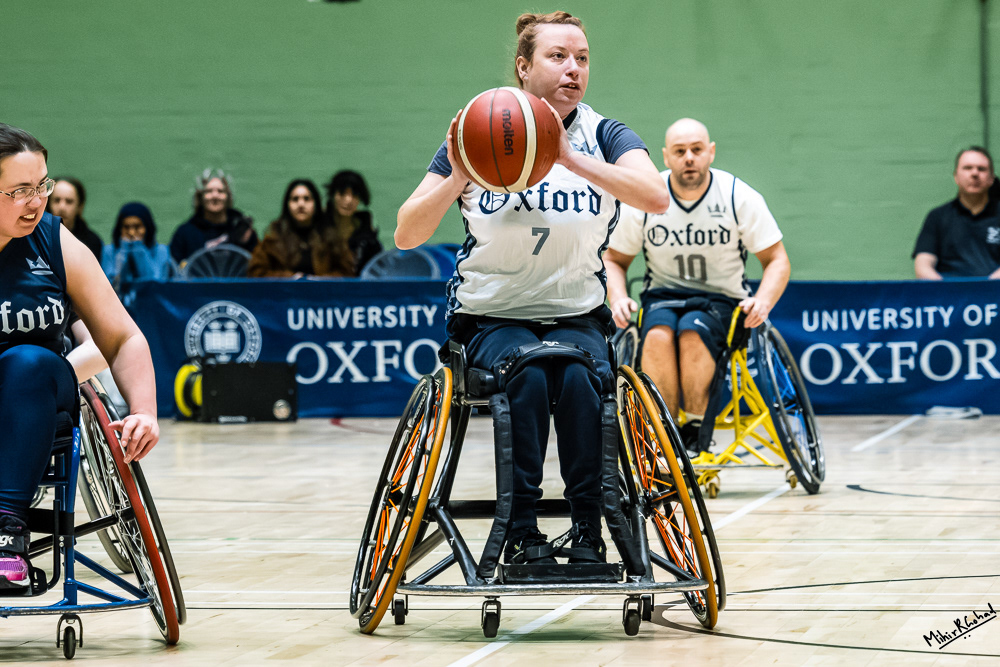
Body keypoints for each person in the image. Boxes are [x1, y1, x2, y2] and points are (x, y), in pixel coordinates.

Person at [396, 11, 669, 565]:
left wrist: (569, 156)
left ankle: (589, 530)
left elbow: (655, 197)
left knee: (576, 376)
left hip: (576, 313)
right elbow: (406, 232)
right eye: (558, 57)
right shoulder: (476, 132)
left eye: (583, 58)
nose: (574, 69)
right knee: (525, 373)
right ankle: (520, 529)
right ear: (523, 67)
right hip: (492, 316)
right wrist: (455, 180)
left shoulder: (605, 134)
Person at [0, 123, 159, 588]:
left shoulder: (53, 241)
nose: (37, 201)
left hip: (38, 400)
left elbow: (123, 338)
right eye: (20, 191)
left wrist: (144, 411)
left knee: (29, 362)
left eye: (42, 185)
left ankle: (7, 531)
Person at [604, 118, 790, 454]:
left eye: (696, 149)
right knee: (658, 336)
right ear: (666, 157)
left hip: (722, 301)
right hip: (663, 297)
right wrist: (617, 297)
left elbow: (777, 259)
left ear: (711, 152)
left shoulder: (738, 196)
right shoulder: (647, 197)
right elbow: (613, 259)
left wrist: (763, 301)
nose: (689, 157)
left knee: (692, 332)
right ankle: (665, 431)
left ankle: (693, 429)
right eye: (680, 151)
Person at [913, 146, 1000, 279]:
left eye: (981, 169)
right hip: (948, 297)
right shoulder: (937, 216)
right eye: (968, 168)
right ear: (956, 176)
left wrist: (987, 289)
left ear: (991, 179)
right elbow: (923, 265)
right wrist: (947, 292)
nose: (975, 173)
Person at [248, 179, 354, 277]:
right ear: (287, 204)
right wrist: (289, 278)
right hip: (284, 295)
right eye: (295, 199)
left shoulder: (331, 237)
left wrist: (321, 281)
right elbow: (256, 273)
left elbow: (347, 273)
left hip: (323, 295)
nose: (301, 204)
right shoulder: (274, 237)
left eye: (307, 199)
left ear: (315, 204)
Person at [169, 169, 257, 266]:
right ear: (200, 196)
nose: (215, 196)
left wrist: (246, 242)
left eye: (220, 191)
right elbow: (174, 270)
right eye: (209, 191)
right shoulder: (185, 233)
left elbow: (257, 266)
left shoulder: (242, 230)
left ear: (228, 196)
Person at [101, 202, 176, 304]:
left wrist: (138, 251)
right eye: (126, 227)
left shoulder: (161, 251)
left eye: (137, 227)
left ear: (147, 228)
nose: (131, 233)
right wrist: (123, 255)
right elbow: (108, 288)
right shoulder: (109, 251)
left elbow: (156, 286)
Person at [325, 170, 382, 276]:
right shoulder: (318, 228)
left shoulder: (367, 236)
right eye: (342, 193)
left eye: (355, 195)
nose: (348, 200)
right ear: (333, 195)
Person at [47, 177, 102, 260]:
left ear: (80, 206)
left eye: (69, 201)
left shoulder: (92, 242)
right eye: (56, 200)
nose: (62, 207)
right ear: (48, 204)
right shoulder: (36, 237)